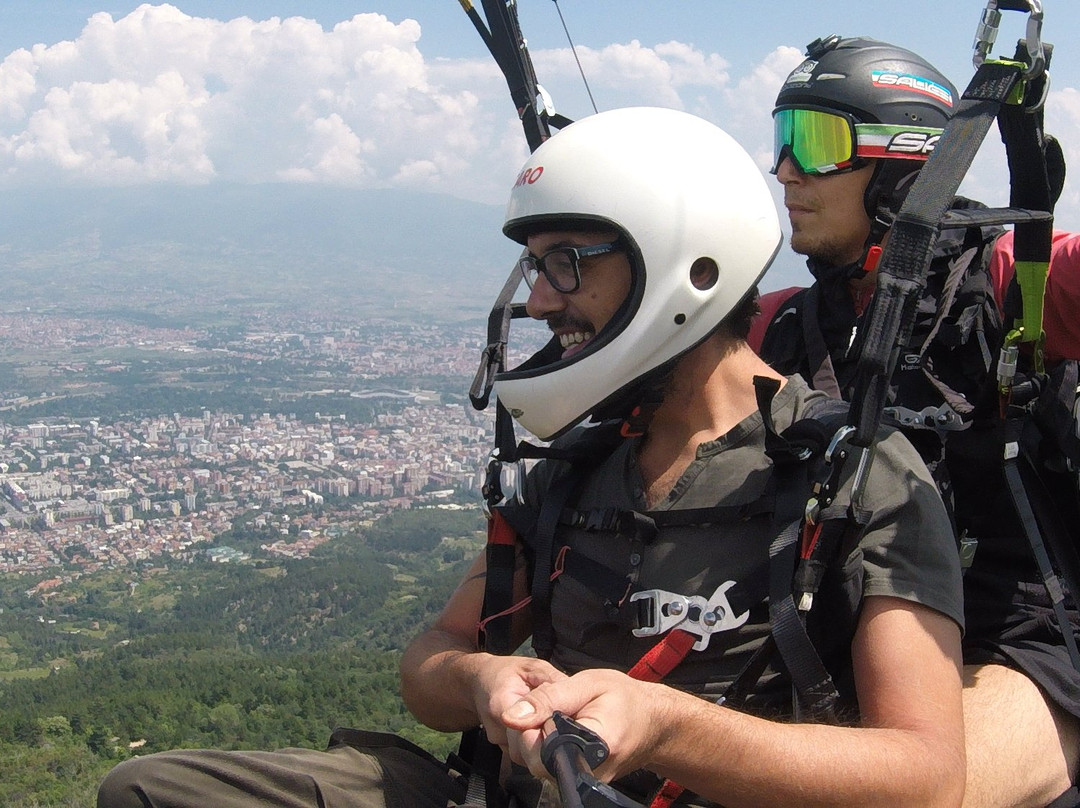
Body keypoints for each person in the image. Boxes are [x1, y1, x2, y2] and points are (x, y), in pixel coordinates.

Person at [98, 107, 967, 808]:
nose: (543, 300)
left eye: (567, 264)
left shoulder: (852, 478)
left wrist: (667, 727)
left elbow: (925, 777)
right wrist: (480, 678)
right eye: (535, 267)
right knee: (149, 789)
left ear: (686, 268)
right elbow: (433, 656)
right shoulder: (580, 464)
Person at [753, 35, 1080, 808]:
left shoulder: (1014, 281)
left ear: (904, 159)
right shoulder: (782, 325)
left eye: (815, 140)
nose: (786, 171)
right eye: (784, 138)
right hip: (853, 637)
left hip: (1023, 641)